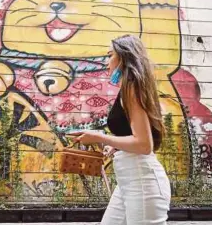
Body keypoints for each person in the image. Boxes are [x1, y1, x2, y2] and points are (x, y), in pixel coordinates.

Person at [68, 35, 171, 225]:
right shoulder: (130, 88)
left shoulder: (132, 88)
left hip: (142, 184)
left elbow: (144, 144)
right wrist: (117, 147)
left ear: (123, 57)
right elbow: (135, 136)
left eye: (110, 55)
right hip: (129, 183)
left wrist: (101, 137)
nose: (107, 62)